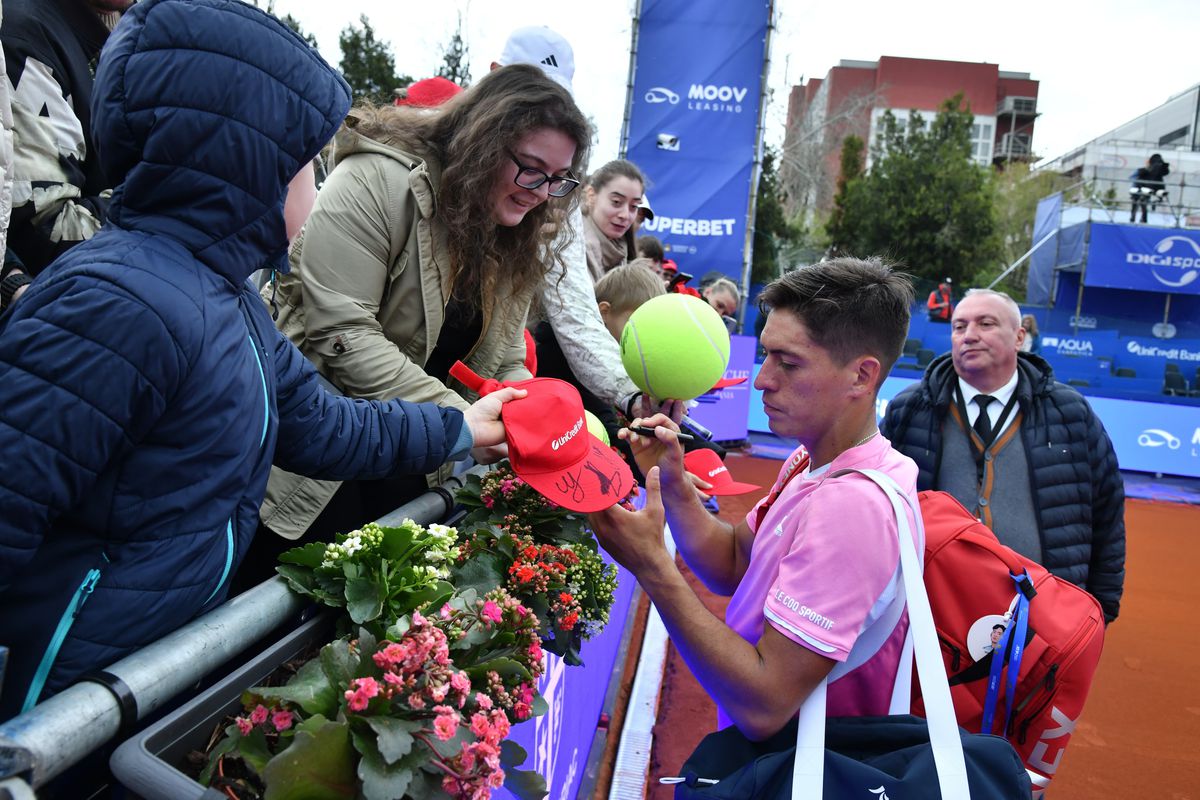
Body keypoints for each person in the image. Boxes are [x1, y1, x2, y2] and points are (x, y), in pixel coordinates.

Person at [0, 0, 524, 722]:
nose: (320, 179)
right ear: (244, 167)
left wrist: (464, 429)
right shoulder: (116, 299)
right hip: (58, 695)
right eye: (307, 160)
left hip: (140, 676)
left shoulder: (225, 301)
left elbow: (324, 427)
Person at [257, 63, 590, 546]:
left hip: (416, 469)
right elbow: (344, 335)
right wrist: (461, 423)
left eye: (559, 178)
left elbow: (508, 358)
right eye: (531, 168)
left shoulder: (516, 229)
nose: (540, 193)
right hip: (312, 472)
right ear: (483, 142)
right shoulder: (377, 179)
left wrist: (527, 417)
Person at [589, 257, 921, 736]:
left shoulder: (854, 505)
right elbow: (733, 564)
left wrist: (652, 567)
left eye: (788, 362)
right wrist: (673, 480)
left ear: (861, 377)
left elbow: (764, 705)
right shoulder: (813, 461)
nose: (763, 379)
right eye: (766, 355)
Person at [880, 289, 1125, 622]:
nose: (969, 336)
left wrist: (1100, 609)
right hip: (930, 613)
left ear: (1019, 337)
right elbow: (878, 505)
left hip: (1041, 614)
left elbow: (1107, 511)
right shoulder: (909, 409)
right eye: (959, 326)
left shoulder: (1070, 413)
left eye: (985, 324)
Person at [0, 0, 132, 312]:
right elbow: (47, 232)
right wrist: (167, 195)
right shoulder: (26, 34)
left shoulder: (146, 33)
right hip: (62, 311)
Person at [582, 159, 644, 281]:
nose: (625, 215)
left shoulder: (622, 248)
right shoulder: (571, 245)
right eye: (616, 202)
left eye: (634, 206)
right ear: (591, 195)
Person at [1129, 153, 1170, 224]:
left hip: (1146, 189)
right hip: (1140, 189)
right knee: (1139, 203)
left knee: (1143, 203)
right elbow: (1133, 178)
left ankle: (1142, 219)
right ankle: (1136, 218)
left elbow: (1165, 172)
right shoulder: (1142, 170)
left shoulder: (1156, 171)